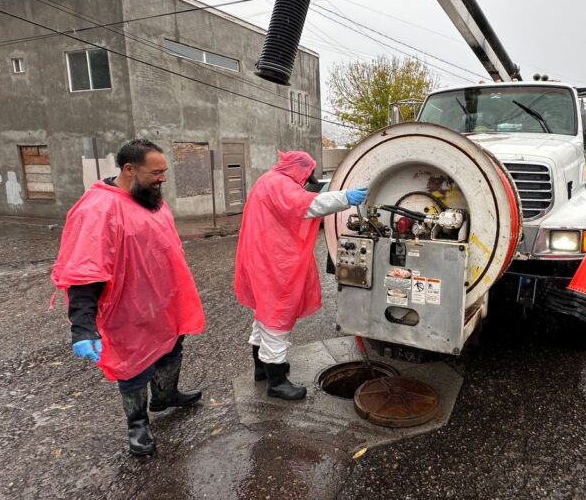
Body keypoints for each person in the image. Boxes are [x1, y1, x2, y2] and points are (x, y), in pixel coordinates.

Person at [51, 139, 206, 456]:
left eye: (164, 171)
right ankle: (138, 425)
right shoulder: (98, 209)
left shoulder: (150, 198)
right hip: (126, 308)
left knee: (172, 346)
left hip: (164, 301)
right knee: (133, 366)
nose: (162, 178)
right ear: (129, 169)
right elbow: (84, 270)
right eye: (156, 172)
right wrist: (82, 328)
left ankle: (166, 395)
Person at [234, 151, 366, 400]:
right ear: (298, 170)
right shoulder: (280, 184)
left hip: (260, 258)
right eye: (307, 176)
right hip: (274, 263)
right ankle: (277, 382)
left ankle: (262, 369)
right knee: (277, 316)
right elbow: (309, 205)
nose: (307, 181)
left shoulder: (268, 180)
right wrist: (346, 198)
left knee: (263, 314)